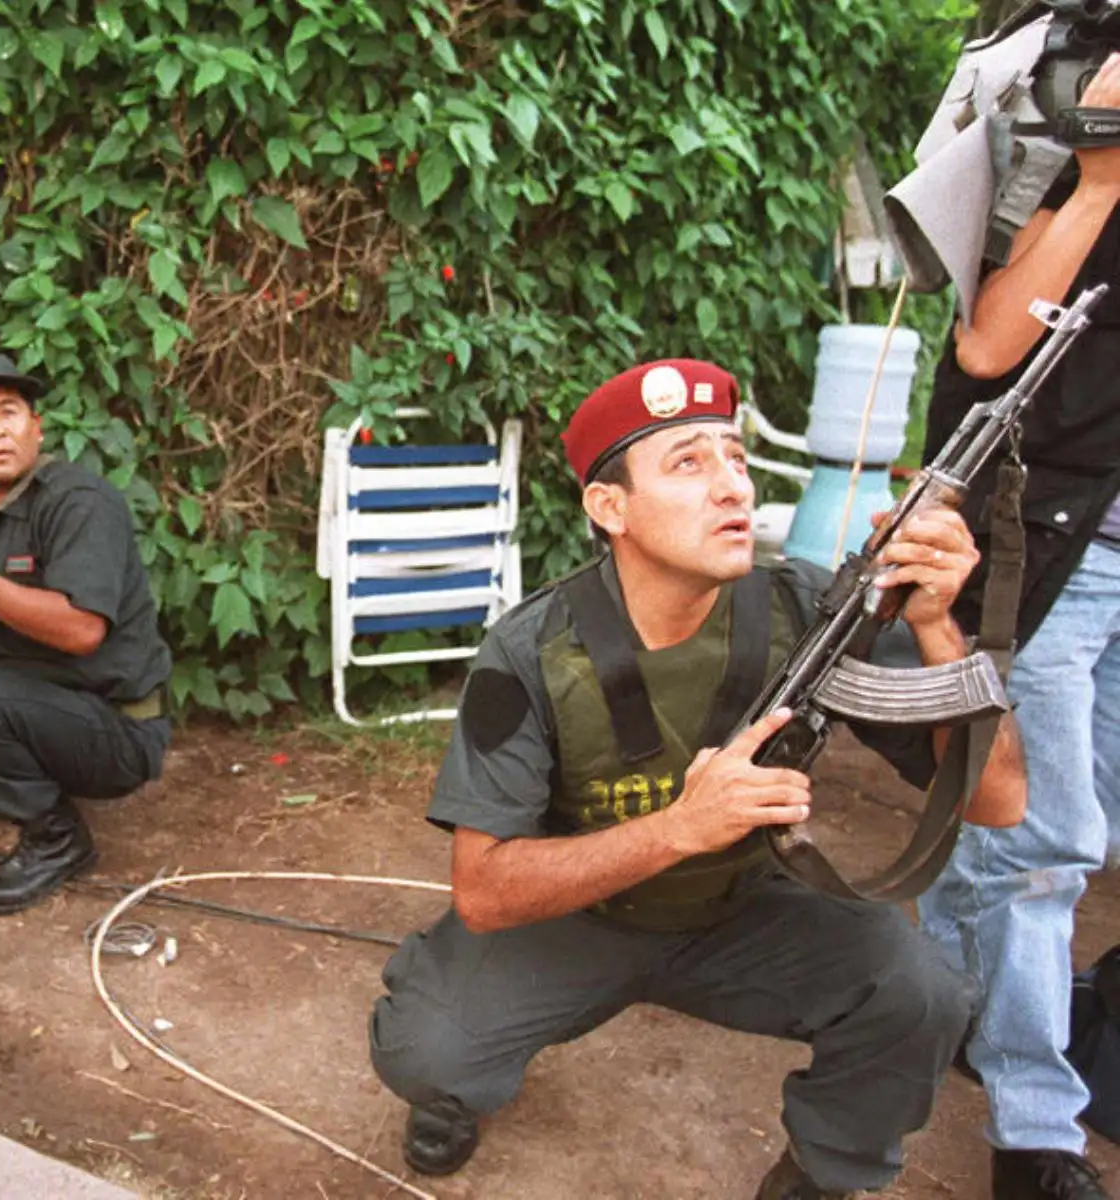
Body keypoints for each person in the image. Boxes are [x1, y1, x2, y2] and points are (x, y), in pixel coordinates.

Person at [366, 359, 1028, 1198]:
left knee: (921, 993)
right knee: (425, 1049)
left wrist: (938, 629)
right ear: (611, 509)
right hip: (584, 913)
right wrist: (679, 827)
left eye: (737, 459)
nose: (734, 489)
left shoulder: (806, 611)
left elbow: (1001, 803)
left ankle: (826, 1171)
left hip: (745, 906)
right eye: (688, 463)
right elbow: (485, 892)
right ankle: (458, 1088)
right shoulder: (530, 652)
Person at [916, 50, 1120, 1200]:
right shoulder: (1078, 170)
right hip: (1063, 549)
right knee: (1045, 847)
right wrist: (1097, 181)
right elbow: (989, 346)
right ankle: (1037, 1132)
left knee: (1037, 834)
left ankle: (927, 1007)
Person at [0, 354, 173, 914]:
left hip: (119, 726)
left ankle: (57, 838)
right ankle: (39, 778)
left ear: (37, 428)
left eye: (10, 411)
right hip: (46, 712)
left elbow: (81, 631)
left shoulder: (79, 502)